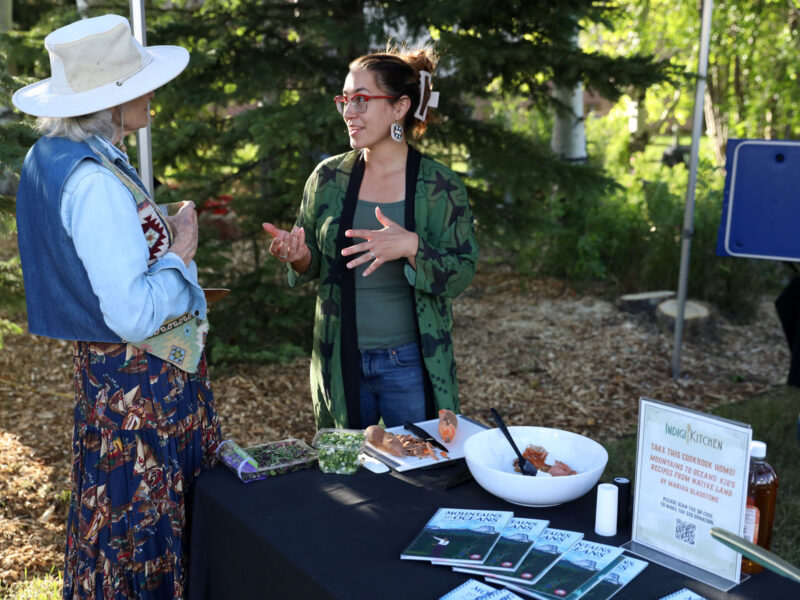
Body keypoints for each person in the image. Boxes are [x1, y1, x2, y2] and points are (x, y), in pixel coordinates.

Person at [12, 14, 221, 598]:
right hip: (141, 397)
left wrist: (158, 235)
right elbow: (131, 314)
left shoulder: (56, 155)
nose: (151, 94)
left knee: (118, 526)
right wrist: (179, 251)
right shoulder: (95, 180)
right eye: (138, 86)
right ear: (111, 101)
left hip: (113, 388)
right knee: (140, 531)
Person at [263, 46, 478, 430]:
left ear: (399, 108)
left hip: (412, 364)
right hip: (340, 358)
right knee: (349, 477)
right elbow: (312, 260)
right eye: (344, 100)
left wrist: (412, 247)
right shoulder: (327, 179)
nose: (348, 112)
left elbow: (461, 273)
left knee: (420, 469)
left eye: (361, 100)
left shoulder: (440, 186)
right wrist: (297, 255)